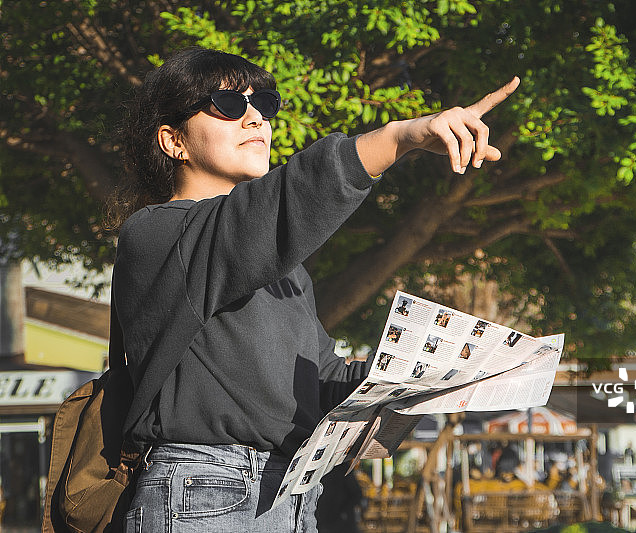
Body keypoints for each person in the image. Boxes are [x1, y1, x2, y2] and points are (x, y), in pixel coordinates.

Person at [107, 47, 519, 533]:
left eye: (263, 104)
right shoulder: (155, 234)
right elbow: (273, 208)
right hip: (203, 491)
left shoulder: (283, 268)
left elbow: (322, 379)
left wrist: (424, 374)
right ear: (173, 140)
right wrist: (398, 137)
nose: (256, 118)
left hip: (291, 496)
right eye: (229, 104)